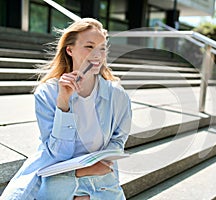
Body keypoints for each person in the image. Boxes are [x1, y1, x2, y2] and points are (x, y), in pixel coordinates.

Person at [1, 18, 132, 200]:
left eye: (102, 48)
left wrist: (100, 163)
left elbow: (118, 139)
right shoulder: (47, 92)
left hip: (100, 171)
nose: (98, 54)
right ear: (69, 49)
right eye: (89, 46)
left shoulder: (116, 93)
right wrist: (63, 102)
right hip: (57, 169)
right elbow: (58, 153)